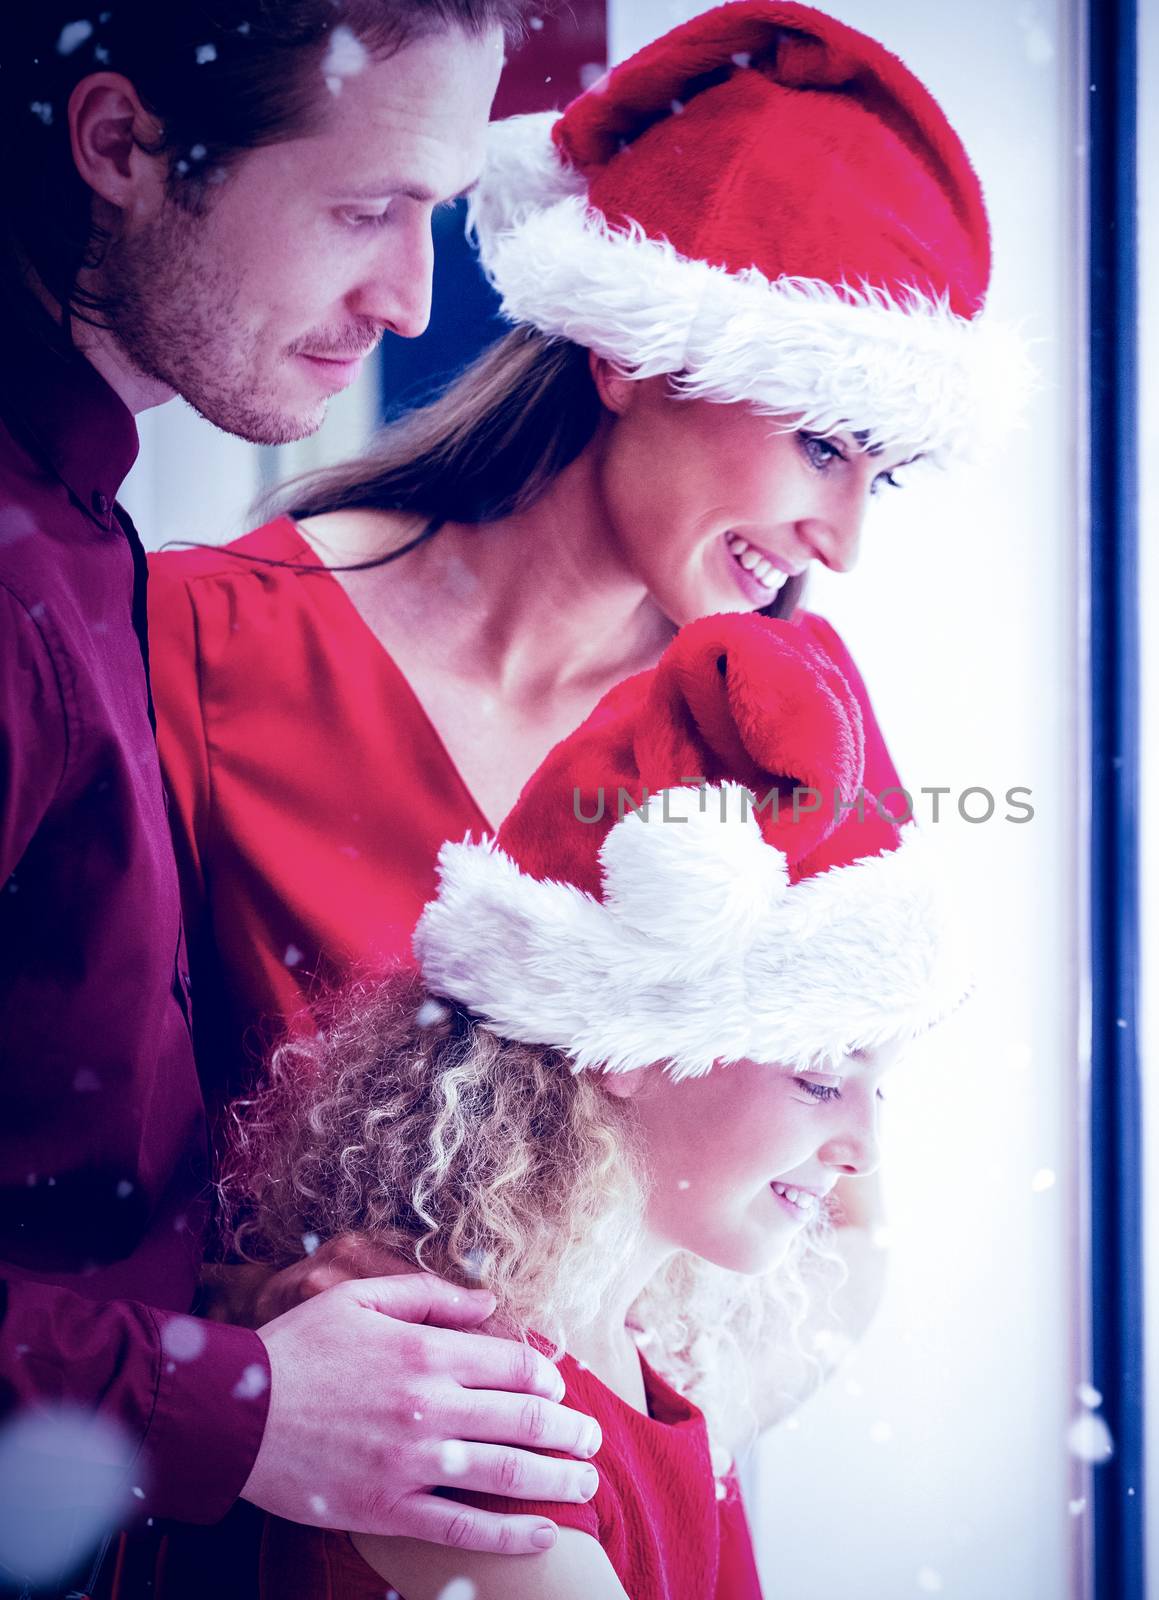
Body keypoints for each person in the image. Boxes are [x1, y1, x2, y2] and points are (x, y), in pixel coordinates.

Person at [144, 0, 1022, 1310]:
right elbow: (72, 1186)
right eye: (823, 445)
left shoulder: (790, 728)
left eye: (876, 479)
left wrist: (618, 1381)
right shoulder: (201, 645)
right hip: (277, 1500)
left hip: (614, 1499)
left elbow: (833, 1225)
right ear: (626, 350)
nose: (837, 542)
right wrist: (246, 1336)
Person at [0, 6, 604, 1593]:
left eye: (439, 212)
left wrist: (237, 1309)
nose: (410, 298)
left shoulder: (74, 526)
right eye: (364, 208)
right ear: (120, 145)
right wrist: (236, 1406)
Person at [221, 610, 971, 1599]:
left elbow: (857, 1254)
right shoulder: (467, 1407)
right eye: (821, 1077)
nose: (863, 1149)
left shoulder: (649, 1348)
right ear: (626, 1046)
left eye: (884, 1085)